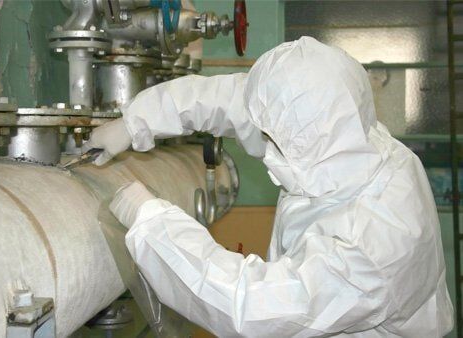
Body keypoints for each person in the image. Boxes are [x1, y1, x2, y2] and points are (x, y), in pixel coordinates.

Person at [84, 37, 453, 337]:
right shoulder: (342, 134)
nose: (260, 140)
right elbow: (233, 101)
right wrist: (135, 122)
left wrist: (152, 223)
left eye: (270, 138)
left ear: (308, 143)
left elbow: (250, 307)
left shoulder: (377, 244)